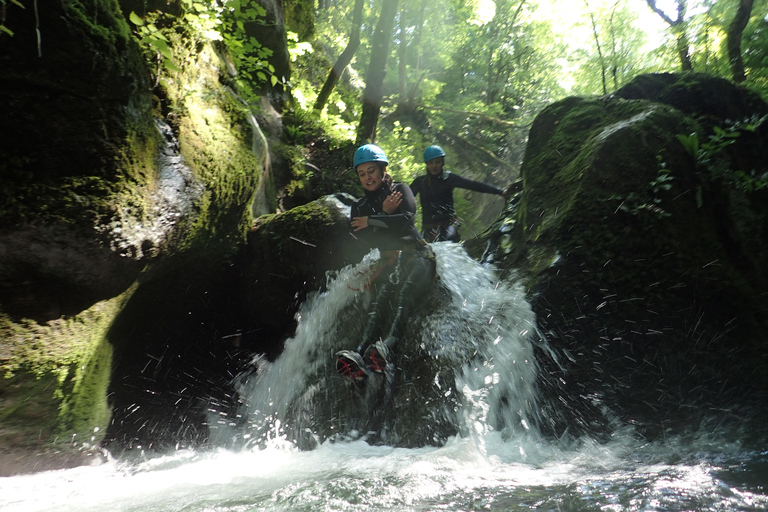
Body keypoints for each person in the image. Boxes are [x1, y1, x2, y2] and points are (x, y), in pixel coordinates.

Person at [336, 144, 437, 382]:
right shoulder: (358, 206)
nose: (367, 177)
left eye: (371, 170)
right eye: (362, 174)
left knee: (404, 295)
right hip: (388, 262)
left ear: (383, 170)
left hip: (418, 256)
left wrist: (373, 219)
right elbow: (364, 242)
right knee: (380, 302)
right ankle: (358, 355)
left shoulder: (400, 189)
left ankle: (387, 347)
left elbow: (407, 220)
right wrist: (383, 215)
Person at [410, 145, 517, 242]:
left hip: (448, 225)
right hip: (428, 228)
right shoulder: (420, 182)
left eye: (437, 162)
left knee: (446, 242)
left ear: (442, 162)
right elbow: (405, 198)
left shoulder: (449, 179)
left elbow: (473, 185)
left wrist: (500, 192)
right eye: (431, 163)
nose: (434, 166)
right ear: (427, 164)